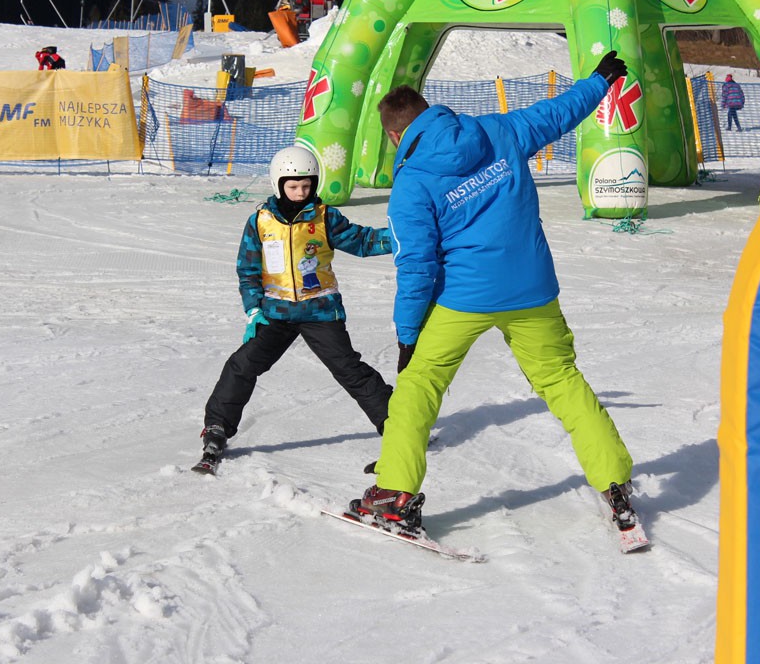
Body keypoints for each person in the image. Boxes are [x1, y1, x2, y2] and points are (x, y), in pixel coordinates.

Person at [351, 51, 638, 534]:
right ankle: (615, 482)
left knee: (418, 386)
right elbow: (556, 114)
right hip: (533, 289)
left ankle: (395, 493)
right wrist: (598, 82)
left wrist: (408, 335)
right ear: (430, 112)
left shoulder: (412, 183)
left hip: (464, 297)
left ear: (396, 136)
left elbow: (416, 265)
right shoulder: (496, 131)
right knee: (561, 379)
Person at [196, 145, 394, 470]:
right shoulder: (260, 222)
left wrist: (402, 238)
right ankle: (217, 427)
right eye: (293, 186)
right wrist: (253, 309)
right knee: (241, 365)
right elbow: (248, 270)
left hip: (320, 311)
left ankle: (398, 425)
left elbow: (362, 241)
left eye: (306, 185)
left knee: (349, 370)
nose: (300, 192)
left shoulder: (325, 217)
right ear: (279, 185)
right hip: (275, 314)